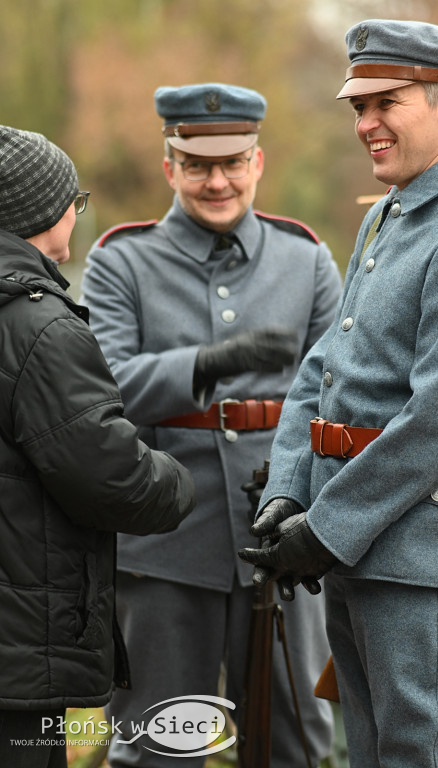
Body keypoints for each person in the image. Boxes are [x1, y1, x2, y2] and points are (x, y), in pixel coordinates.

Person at [239, 20, 438, 768]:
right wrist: (289, 493)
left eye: (386, 103)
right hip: (361, 545)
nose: (365, 124)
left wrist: (326, 530)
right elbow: (323, 368)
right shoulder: (384, 218)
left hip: (424, 550)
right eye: (358, 107)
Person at [81, 83, 342, 767]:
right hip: (166, 543)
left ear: (259, 163)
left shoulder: (306, 258)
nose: (217, 180)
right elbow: (100, 386)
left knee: (297, 739)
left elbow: (339, 390)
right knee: (160, 743)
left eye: (233, 163)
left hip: (283, 538)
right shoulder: (120, 261)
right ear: (170, 167)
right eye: (197, 165)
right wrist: (207, 364)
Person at [0, 125, 195, 768]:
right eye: (74, 202)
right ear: (43, 212)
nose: (77, 217)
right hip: (21, 655)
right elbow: (114, 479)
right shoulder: (37, 326)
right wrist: (175, 476)